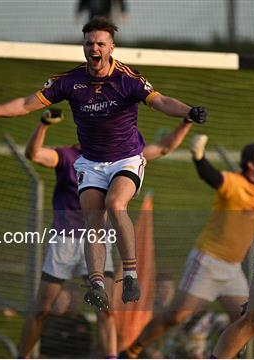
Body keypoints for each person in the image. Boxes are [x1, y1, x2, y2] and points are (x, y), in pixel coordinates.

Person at [0, 17, 207, 311]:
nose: (95, 48)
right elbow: (28, 103)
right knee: (92, 220)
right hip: (91, 162)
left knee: (116, 205)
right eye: (89, 43)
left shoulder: (127, 78)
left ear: (111, 47)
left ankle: (130, 275)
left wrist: (189, 112)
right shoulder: (70, 81)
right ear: (84, 46)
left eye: (100, 44)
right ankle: (96, 284)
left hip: (125, 158)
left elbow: (160, 101)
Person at [18, 108, 194, 358]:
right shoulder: (69, 156)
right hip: (65, 242)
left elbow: (162, 148)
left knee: (106, 310)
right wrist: (44, 124)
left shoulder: (121, 158)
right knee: (41, 310)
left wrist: (186, 122)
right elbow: (33, 153)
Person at [121, 136, 254, 358]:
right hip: (207, 261)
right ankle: (131, 351)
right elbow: (210, 175)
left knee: (248, 319)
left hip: (232, 269)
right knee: (176, 316)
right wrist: (198, 156)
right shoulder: (234, 183)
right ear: (252, 164)